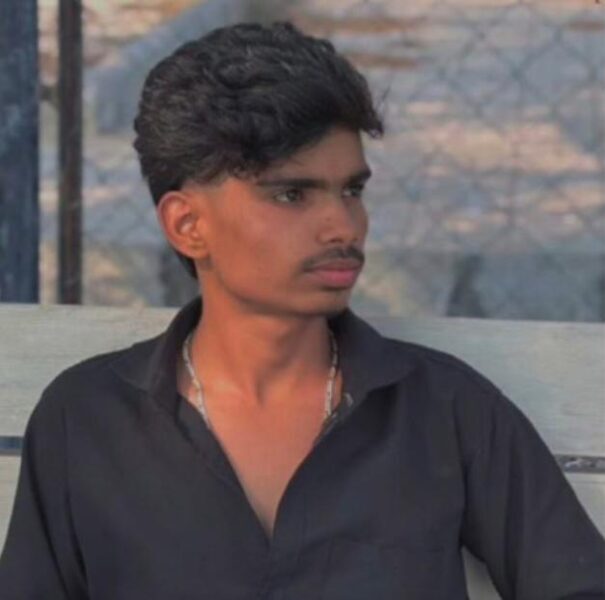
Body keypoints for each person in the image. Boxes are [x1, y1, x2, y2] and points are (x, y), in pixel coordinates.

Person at [1, 21, 603, 600]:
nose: (344, 225)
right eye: (292, 194)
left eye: (352, 190)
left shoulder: (443, 411)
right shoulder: (87, 421)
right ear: (187, 224)